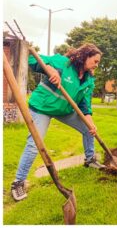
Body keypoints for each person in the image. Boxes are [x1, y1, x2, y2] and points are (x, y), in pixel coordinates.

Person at [10, 44, 103, 202]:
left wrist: (90, 122)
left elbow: (85, 105)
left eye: (98, 62)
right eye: (95, 61)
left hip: (64, 111)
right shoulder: (62, 62)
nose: (97, 65)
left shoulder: (89, 80)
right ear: (86, 56)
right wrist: (49, 69)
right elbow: (31, 59)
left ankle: (90, 159)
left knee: (89, 129)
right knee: (34, 145)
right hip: (43, 108)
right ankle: (18, 183)